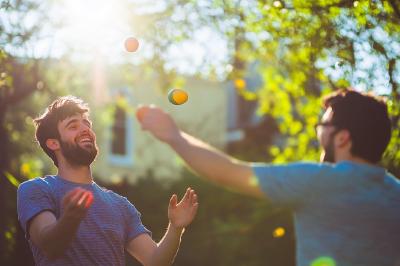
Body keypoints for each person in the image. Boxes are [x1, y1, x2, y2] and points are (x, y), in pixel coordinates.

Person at [136, 89, 400, 266]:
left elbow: (227, 172)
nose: (319, 133)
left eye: (323, 126)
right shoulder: (395, 193)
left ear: (342, 137)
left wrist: (173, 135)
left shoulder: (318, 181)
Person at [17, 96, 199, 266]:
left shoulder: (120, 205)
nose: (85, 129)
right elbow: (49, 247)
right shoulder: (37, 190)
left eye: (86, 123)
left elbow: (155, 261)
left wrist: (175, 228)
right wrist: (70, 218)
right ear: (53, 143)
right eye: (73, 126)